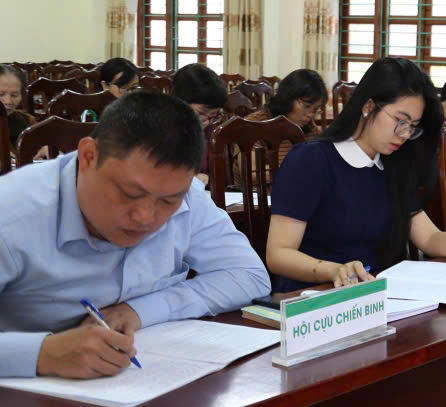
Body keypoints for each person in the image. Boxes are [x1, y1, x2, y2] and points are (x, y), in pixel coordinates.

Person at [0, 91, 270, 378]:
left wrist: (139, 310)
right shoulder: (13, 212)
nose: (145, 217)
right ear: (89, 156)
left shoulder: (187, 196)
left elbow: (249, 276)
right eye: (129, 194)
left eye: (167, 202)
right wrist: (42, 354)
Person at [265, 59, 446, 293]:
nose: (405, 134)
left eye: (412, 126)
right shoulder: (311, 160)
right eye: (400, 120)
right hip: (314, 297)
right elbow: (278, 254)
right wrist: (334, 270)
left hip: (374, 295)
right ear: (368, 106)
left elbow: (429, 237)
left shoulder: (393, 164)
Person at [241, 68, 328, 177]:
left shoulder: (309, 127)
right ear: (288, 98)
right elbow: (252, 174)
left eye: (315, 109)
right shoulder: (254, 124)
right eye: (307, 106)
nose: (310, 115)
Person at [173, 62, 229, 185]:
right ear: (179, 103)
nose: (207, 122)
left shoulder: (211, 130)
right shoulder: (159, 130)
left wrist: (208, 177)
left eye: (213, 116)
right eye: (201, 113)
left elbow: (219, 173)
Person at [0, 65, 35, 157]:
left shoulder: (28, 121)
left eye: (14, 95)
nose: (8, 101)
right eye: (1, 94)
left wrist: (44, 147)